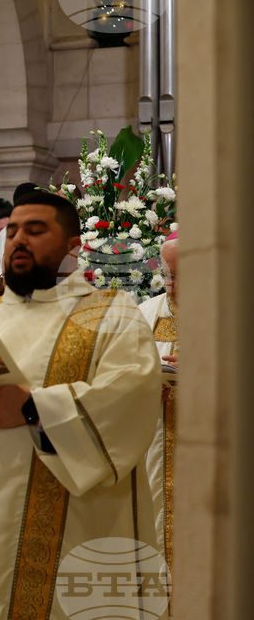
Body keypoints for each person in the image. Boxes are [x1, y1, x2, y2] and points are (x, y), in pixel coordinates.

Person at [0, 192, 162, 619]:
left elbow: (127, 399)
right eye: (14, 230)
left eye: (36, 230)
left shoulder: (111, 315)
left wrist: (31, 408)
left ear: (73, 245)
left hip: (67, 528)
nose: (19, 240)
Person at [139, 233, 179, 581]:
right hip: (157, 438)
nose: (173, 285)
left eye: (183, 275)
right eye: (168, 274)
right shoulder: (146, 314)